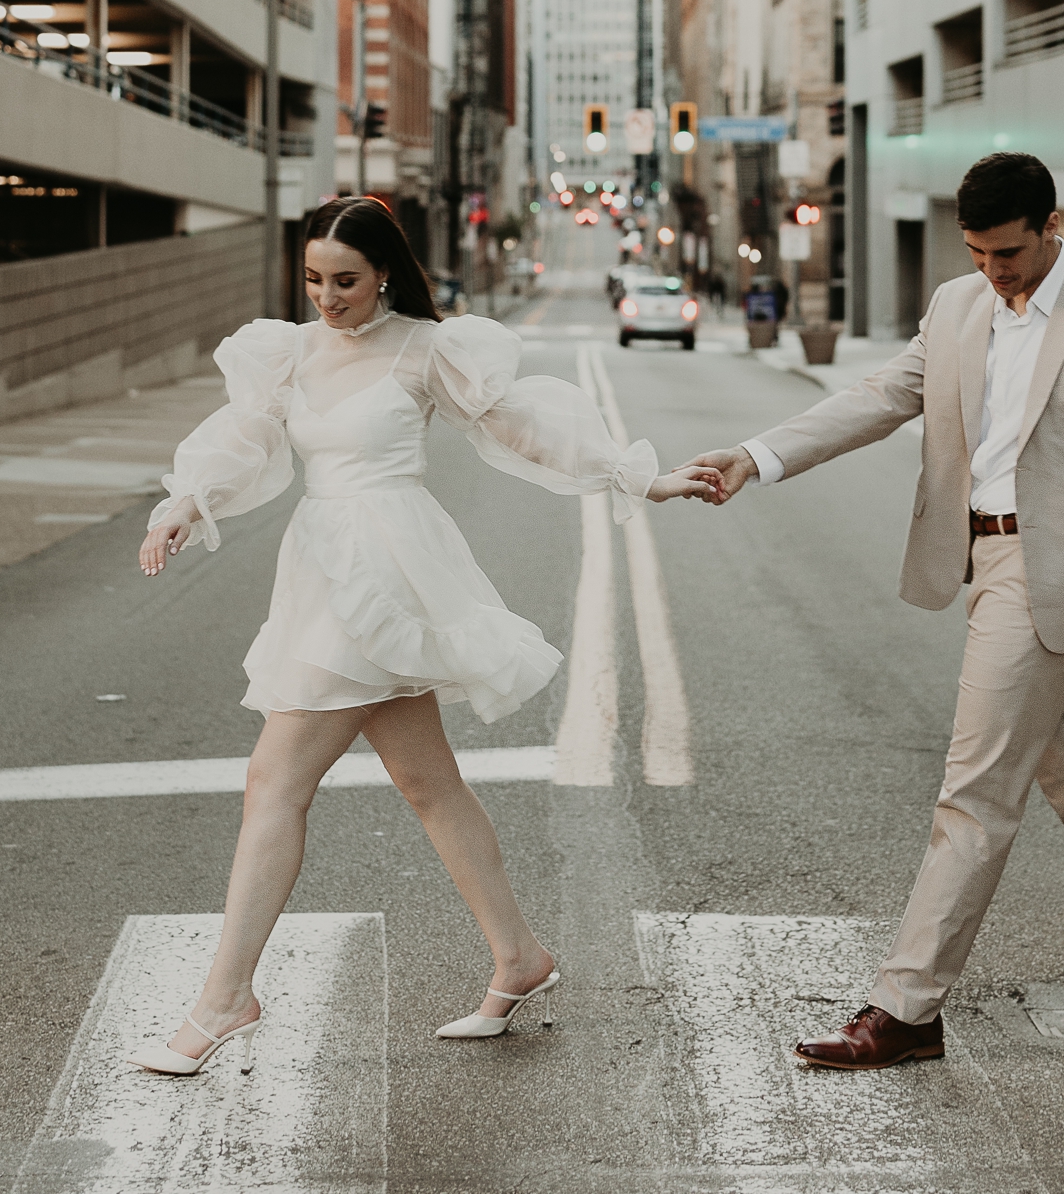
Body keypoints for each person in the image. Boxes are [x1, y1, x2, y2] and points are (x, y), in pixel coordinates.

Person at [132, 193, 720, 1077]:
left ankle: (225, 999)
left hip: (391, 571)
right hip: (324, 569)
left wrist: (639, 479)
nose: (328, 298)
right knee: (425, 782)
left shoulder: (425, 349)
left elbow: (522, 425)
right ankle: (519, 955)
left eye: (346, 282)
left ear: (385, 276)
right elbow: (245, 436)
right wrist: (185, 502)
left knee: (274, 781)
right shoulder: (288, 353)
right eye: (314, 280)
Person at [692, 150, 1064, 1069]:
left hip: (1048, 569)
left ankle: (906, 1008)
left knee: (975, 791)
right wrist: (759, 455)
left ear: (1051, 225)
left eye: (1009, 252)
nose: (995, 270)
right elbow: (880, 398)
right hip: (984, 556)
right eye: (979, 252)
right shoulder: (958, 306)